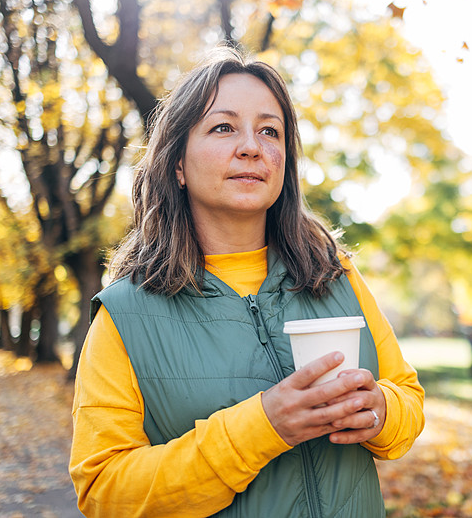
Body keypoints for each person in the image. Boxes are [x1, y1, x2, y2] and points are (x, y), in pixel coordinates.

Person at [69, 46, 425, 518]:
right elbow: (104, 492)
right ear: (177, 163)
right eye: (223, 127)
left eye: (269, 131)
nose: (251, 147)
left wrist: (380, 410)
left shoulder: (334, 273)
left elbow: (408, 400)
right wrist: (262, 428)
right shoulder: (125, 314)